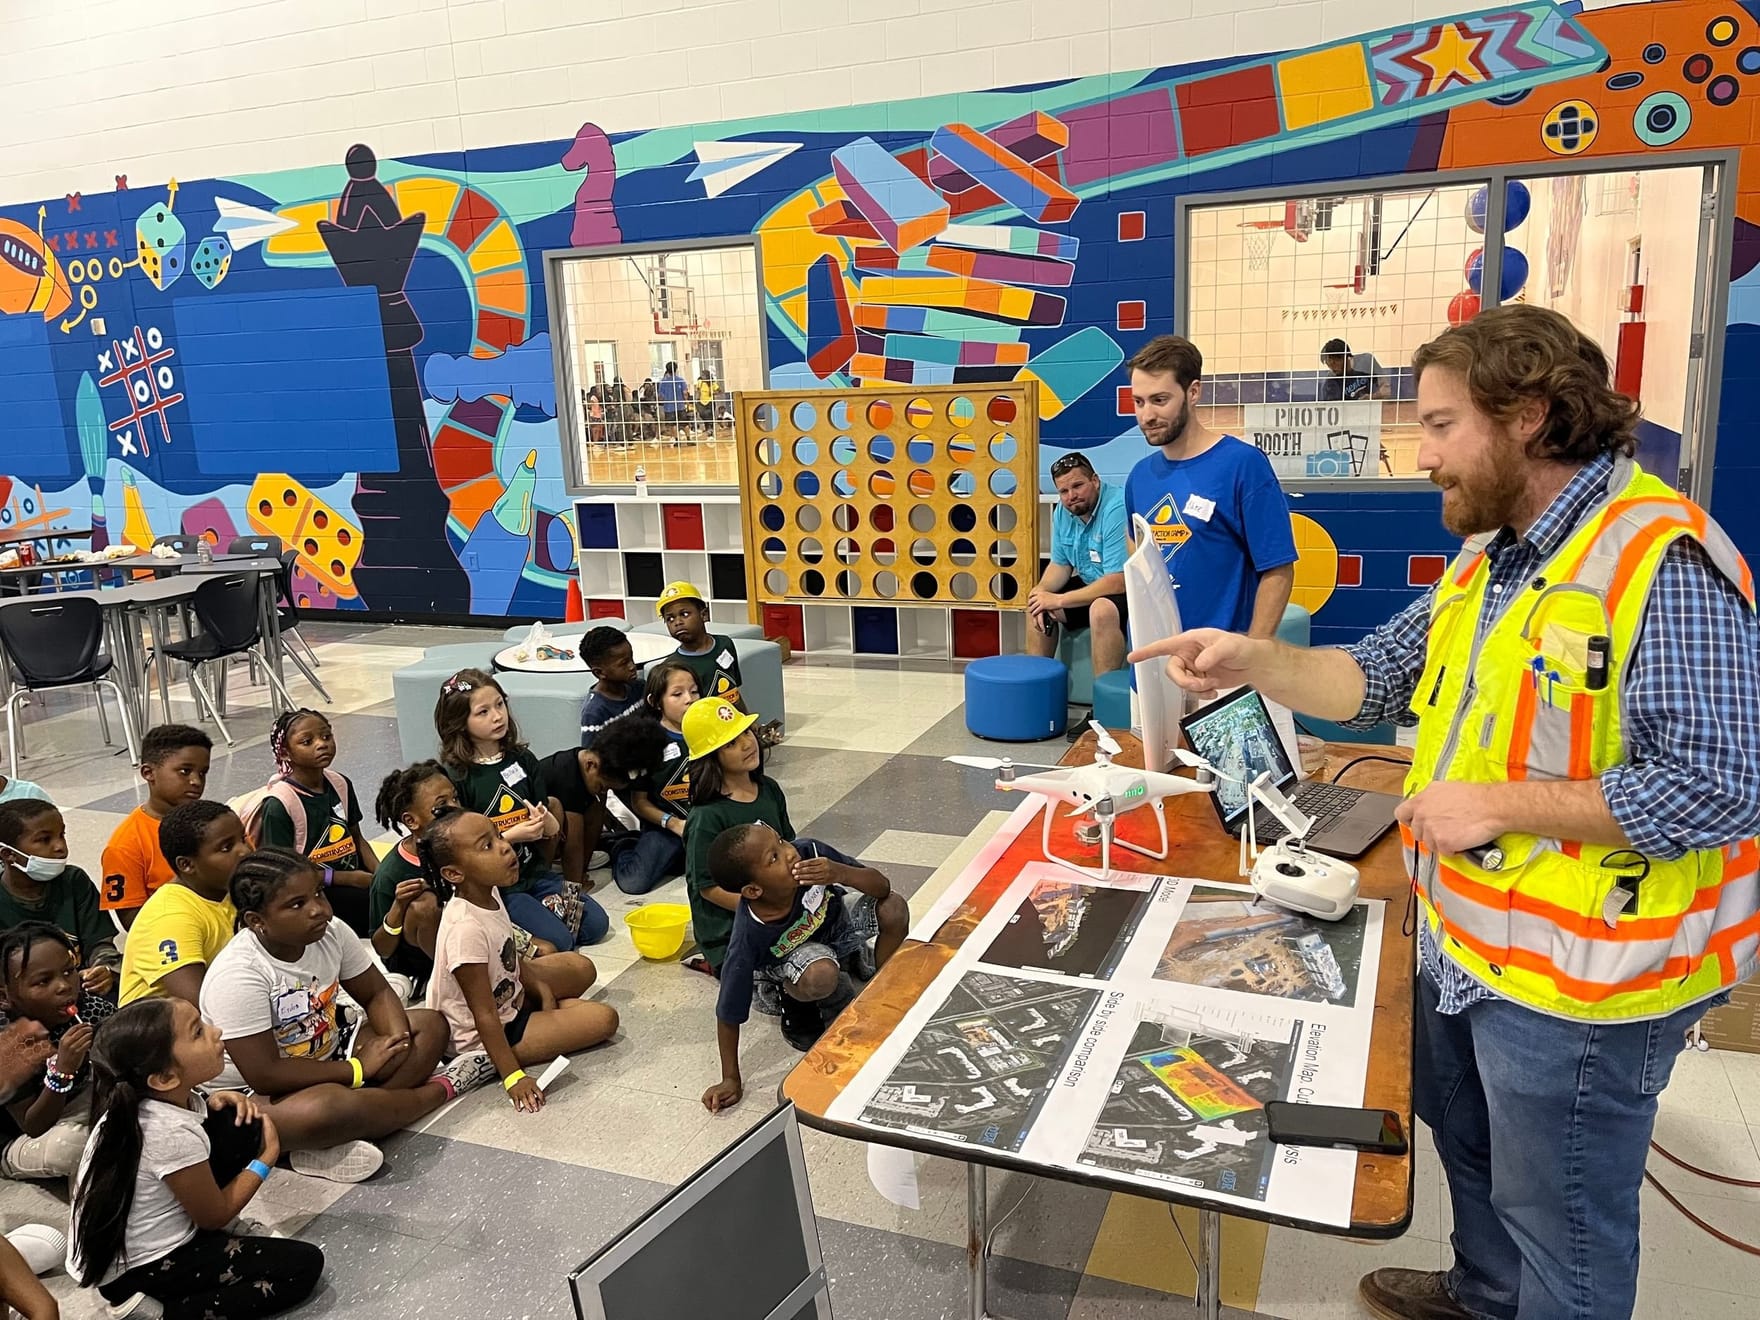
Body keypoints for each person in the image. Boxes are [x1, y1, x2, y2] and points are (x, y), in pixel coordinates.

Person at [1129, 306, 1760, 1320]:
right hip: (1467, 947)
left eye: (1435, 426)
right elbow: (1372, 674)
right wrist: (1257, 661)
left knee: (1563, 1228)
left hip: (1585, 985)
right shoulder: (1491, 554)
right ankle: (1479, 1293)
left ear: (1529, 416)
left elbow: (1721, 783)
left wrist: (1499, 804)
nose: (1416, 456)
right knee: (1466, 1149)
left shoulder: (1660, 559)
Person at [200, 848, 495, 1183]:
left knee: (429, 1026)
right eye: (297, 905)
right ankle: (441, 1088)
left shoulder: (330, 931)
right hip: (254, 1095)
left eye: (318, 894)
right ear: (257, 921)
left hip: (331, 1053)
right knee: (328, 1109)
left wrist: (395, 1042)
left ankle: (342, 1132)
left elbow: (377, 992)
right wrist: (357, 1070)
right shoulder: (239, 975)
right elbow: (265, 1074)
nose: (319, 910)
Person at [66, 997, 325, 1317]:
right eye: (198, 1033)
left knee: (235, 1121)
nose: (215, 1032)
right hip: (140, 1272)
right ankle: (162, 1314)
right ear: (163, 1078)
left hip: (132, 1250)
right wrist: (266, 1158)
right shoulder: (165, 1133)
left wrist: (216, 1098)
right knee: (301, 1267)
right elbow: (212, 1216)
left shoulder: (143, 1102)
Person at [416, 809, 619, 1112]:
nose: (504, 846)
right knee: (604, 1020)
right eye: (486, 846)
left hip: (510, 996)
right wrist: (513, 1077)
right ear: (455, 874)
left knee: (583, 968)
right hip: (483, 1033)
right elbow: (484, 1014)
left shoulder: (489, 890)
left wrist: (537, 985)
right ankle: (496, 1057)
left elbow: (507, 952)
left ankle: (540, 1013)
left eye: (498, 836)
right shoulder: (464, 929)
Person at [701, 823, 907, 1112]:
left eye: (781, 841)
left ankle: (884, 993)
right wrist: (730, 1079)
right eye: (773, 857)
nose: (789, 852)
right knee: (821, 973)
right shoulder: (750, 933)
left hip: (836, 926)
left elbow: (882, 887)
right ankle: (792, 996)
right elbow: (728, 1011)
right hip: (794, 959)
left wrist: (839, 872)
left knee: (893, 908)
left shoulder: (809, 853)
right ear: (753, 889)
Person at [1123, 336, 1297, 636]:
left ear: (1193, 392)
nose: (1147, 415)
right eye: (1139, 402)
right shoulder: (1139, 477)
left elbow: (1278, 569)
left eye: (1160, 400)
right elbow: (1137, 560)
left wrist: (1254, 651)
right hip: (1152, 660)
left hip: (1223, 664)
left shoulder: (1243, 465)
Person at [433, 669, 609, 950]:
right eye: (483, 712)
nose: (497, 716)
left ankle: (533, 926)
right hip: (496, 887)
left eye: (500, 704)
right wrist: (510, 836)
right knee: (561, 940)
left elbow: (548, 823)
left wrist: (549, 825)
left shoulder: (522, 759)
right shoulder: (456, 775)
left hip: (532, 872)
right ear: (459, 722)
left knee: (596, 924)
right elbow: (461, 849)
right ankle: (507, 932)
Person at [369, 762, 557, 1000]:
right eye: (441, 806)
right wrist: (398, 907)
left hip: (479, 936)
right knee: (425, 906)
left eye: (455, 798)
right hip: (428, 956)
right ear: (411, 821)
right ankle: (445, 979)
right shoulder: (390, 873)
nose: (454, 808)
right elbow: (382, 948)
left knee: (550, 952)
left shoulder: (466, 848)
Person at [244, 708, 377, 936]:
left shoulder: (341, 783)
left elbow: (356, 837)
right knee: (371, 906)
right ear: (285, 753)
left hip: (354, 875)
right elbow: (283, 873)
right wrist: (348, 879)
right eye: (307, 741)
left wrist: (382, 875)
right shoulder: (279, 804)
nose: (322, 744)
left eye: (326, 736)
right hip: (313, 888)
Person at [0, 924, 115, 1181]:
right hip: (21, 1133)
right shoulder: (7, 1041)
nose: (64, 986)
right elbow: (34, 1126)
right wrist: (63, 1070)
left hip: (76, 1101)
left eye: (69, 971)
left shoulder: (90, 1008)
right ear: (5, 998)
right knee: (69, 1147)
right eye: (43, 981)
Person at [119, 801, 249, 1007]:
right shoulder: (170, 917)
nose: (244, 851)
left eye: (243, 839)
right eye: (226, 847)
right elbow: (201, 1006)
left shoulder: (228, 889)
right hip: (167, 1033)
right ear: (186, 864)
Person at [1026, 451, 1131, 680]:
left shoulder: (1116, 507)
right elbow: (1060, 564)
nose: (1071, 496)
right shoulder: (1064, 512)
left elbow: (1117, 581)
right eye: (1064, 491)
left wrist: (1060, 600)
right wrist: (1042, 590)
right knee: (1037, 603)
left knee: (1101, 610)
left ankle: (1103, 704)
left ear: (1095, 480)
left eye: (1078, 486)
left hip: (1127, 591)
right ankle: (1037, 692)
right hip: (1092, 583)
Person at [0, 800, 121, 993]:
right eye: (44, 840)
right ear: (9, 854)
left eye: (62, 835)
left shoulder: (74, 881)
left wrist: (104, 969)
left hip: (82, 992)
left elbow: (100, 944)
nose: (60, 847)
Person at [539, 717, 670, 893]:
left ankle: (577, 870)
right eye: (602, 786)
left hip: (563, 836)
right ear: (591, 765)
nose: (603, 790)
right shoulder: (567, 778)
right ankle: (547, 876)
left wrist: (582, 871)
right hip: (537, 841)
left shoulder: (595, 774)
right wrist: (574, 888)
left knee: (597, 803)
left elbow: (594, 822)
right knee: (565, 818)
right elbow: (573, 844)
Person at [100, 725, 212, 930]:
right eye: (184, 771)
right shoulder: (125, 845)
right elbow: (133, 922)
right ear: (148, 773)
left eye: (203, 773)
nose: (196, 781)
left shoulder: (217, 822)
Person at [604, 661, 699, 895]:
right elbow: (640, 802)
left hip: (705, 823)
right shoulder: (646, 742)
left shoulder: (709, 730)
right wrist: (673, 823)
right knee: (635, 883)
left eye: (694, 691)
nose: (689, 699)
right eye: (677, 694)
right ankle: (624, 844)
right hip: (665, 828)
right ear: (656, 702)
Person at [577, 626, 643, 744]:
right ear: (600, 672)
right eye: (623, 663)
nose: (632, 666)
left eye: (631, 658)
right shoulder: (594, 712)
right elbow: (592, 757)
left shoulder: (639, 687)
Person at [1320, 337, 1391, 401]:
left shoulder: (1367, 361)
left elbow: (1387, 390)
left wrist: (1371, 397)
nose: (1332, 368)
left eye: (1335, 363)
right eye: (1329, 364)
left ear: (1346, 358)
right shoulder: (1330, 380)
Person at [655, 362, 688, 437]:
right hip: (680, 406)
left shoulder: (663, 382)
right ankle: (688, 438)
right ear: (676, 369)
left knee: (673, 425)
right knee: (684, 423)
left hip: (669, 407)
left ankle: (677, 440)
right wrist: (686, 401)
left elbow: (660, 396)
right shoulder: (681, 380)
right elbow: (685, 393)